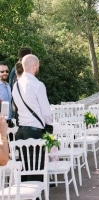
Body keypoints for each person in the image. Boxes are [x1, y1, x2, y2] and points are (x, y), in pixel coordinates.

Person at [12, 54, 52, 182]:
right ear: (34, 67)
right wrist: (50, 128)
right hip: (35, 131)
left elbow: (16, 109)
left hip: (21, 132)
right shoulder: (37, 85)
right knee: (36, 169)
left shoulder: (15, 86)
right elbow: (46, 112)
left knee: (25, 169)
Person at [0, 62, 15, 128]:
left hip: (9, 120)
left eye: (7, 71)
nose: (5, 73)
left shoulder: (8, 85)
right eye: (2, 71)